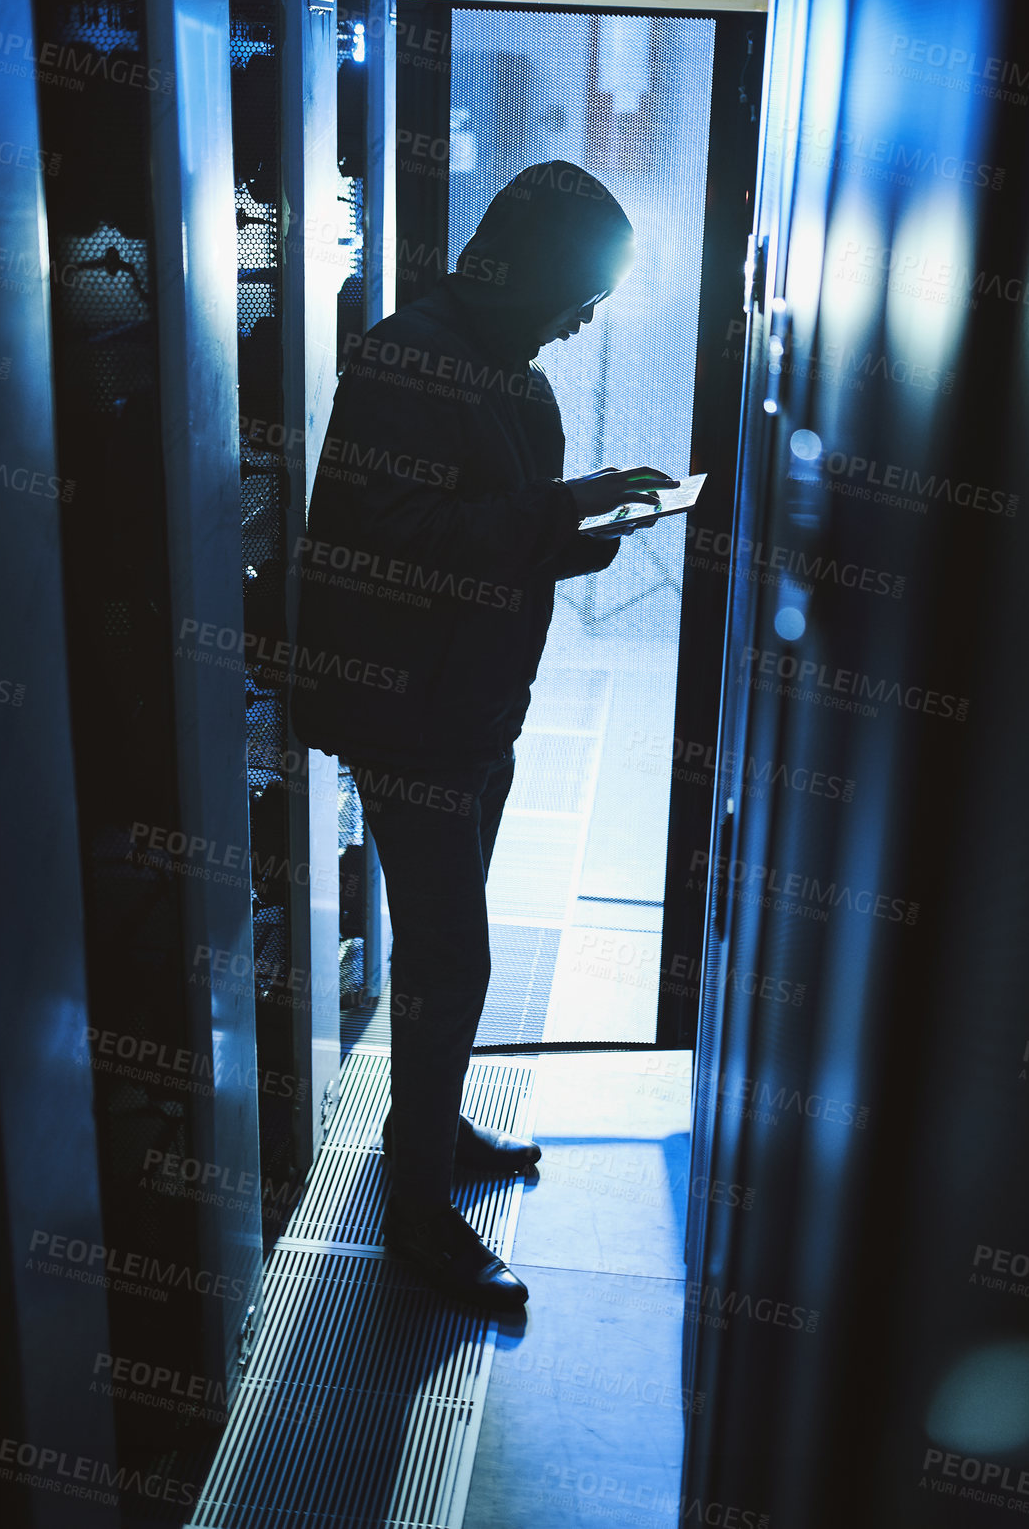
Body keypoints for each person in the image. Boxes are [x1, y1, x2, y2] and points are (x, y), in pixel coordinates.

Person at [291, 160, 677, 1309]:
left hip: (467, 708)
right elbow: (398, 537)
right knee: (454, 956)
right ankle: (417, 1210)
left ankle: (429, 1126)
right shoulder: (408, 357)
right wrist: (565, 506)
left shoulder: (507, 368)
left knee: (441, 956)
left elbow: (501, 527)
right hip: (406, 712)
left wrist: (594, 518)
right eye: (581, 292)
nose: (589, 317)